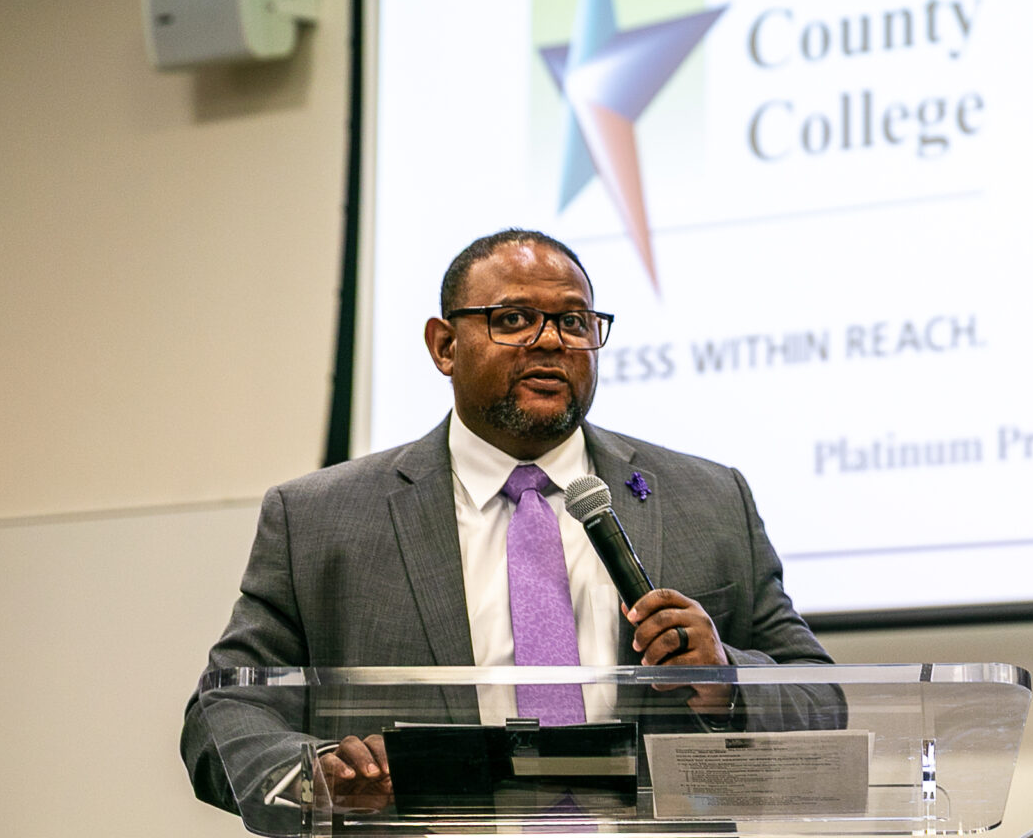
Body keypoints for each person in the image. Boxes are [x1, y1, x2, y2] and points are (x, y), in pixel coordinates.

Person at [181, 227, 834, 816]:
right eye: (514, 319)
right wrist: (318, 775)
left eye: (574, 322)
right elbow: (223, 711)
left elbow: (822, 699)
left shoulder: (709, 500)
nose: (551, 340)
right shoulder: (319, 520)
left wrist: (725, 679)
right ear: (444, 346)